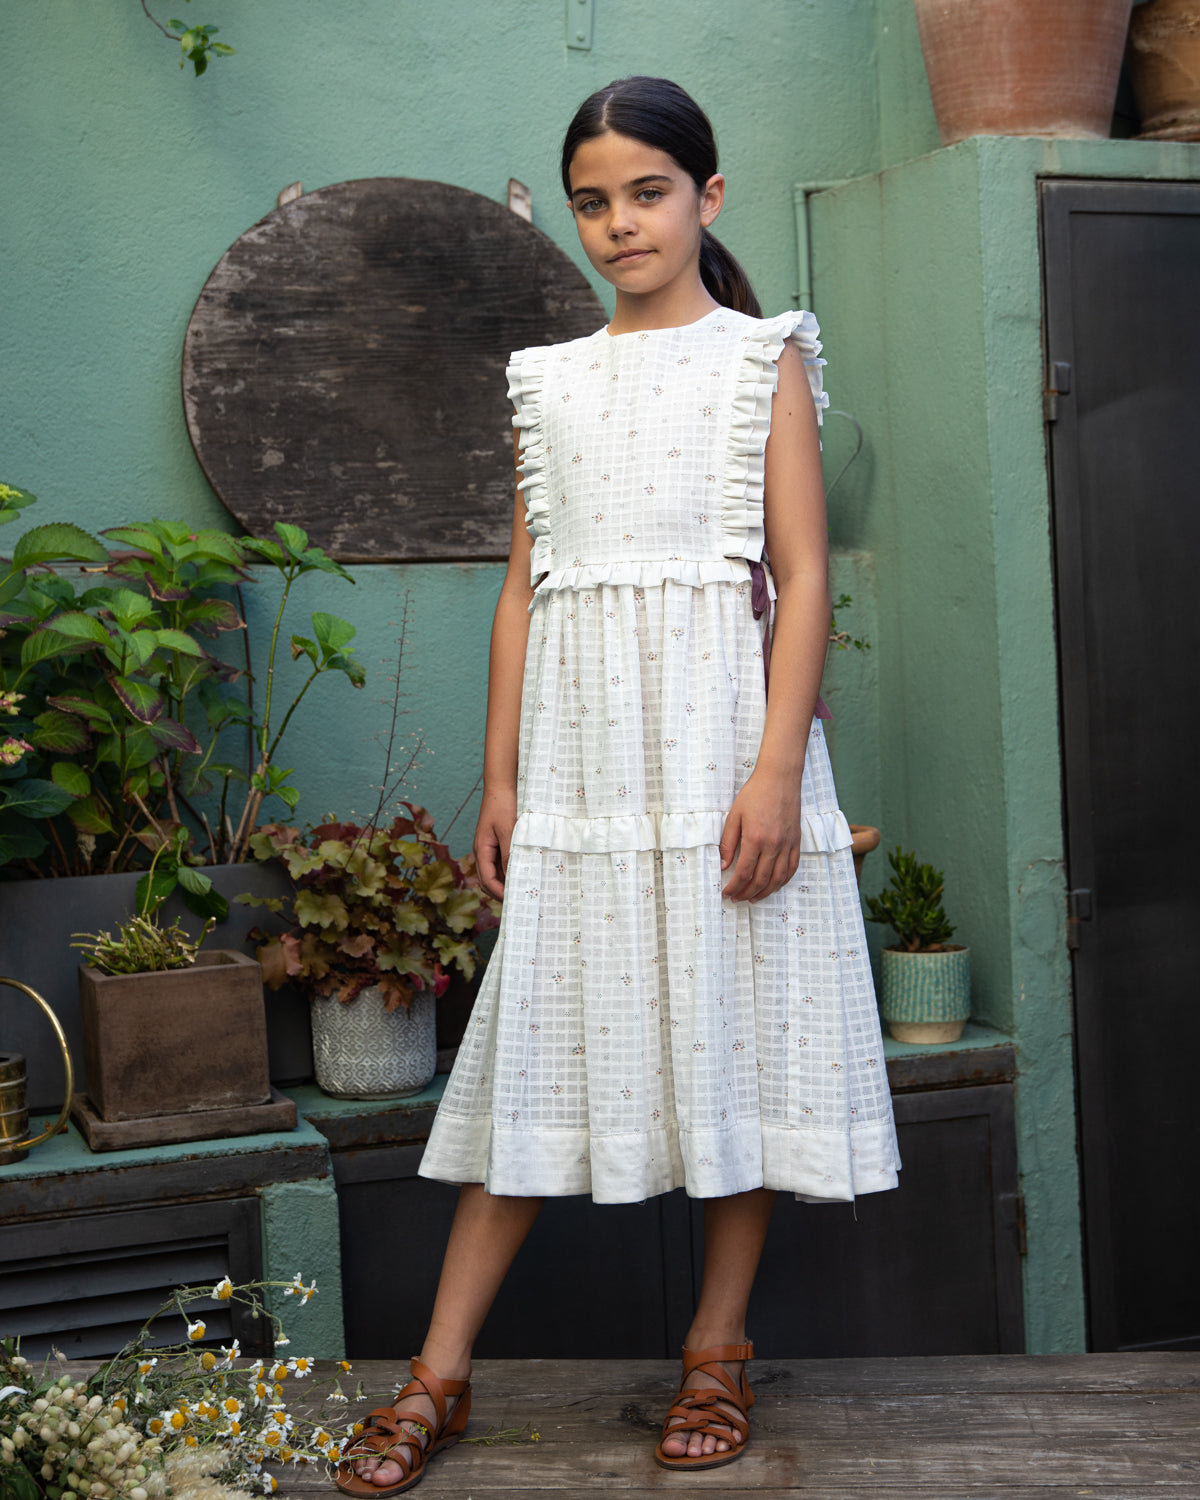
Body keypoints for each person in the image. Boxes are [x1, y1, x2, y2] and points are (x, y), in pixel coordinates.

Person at [335, 75, 900, 1496]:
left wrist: (777, 770)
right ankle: (438, 1375)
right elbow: (522, 593)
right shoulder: (549, 379)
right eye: (593, 202)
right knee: (539, 1043)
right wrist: (499, 779)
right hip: (587, 775)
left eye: (648, 192)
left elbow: (803, 575)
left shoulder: (760, 357)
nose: (619, 223)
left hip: (725, 759)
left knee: (735, 1034)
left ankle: (718, 1350)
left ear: (708, 197)